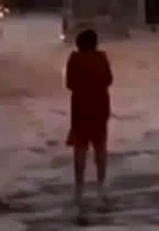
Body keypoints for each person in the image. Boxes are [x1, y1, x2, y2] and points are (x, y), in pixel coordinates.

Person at [64, 29, 113, 209]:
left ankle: (79, 191)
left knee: (80, 151)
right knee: (100, 149)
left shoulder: (74, 60)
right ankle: (101, 189)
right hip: (100, 108)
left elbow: (69, 84)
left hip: (80, 110)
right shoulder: (101, 58)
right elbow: (109, 79)